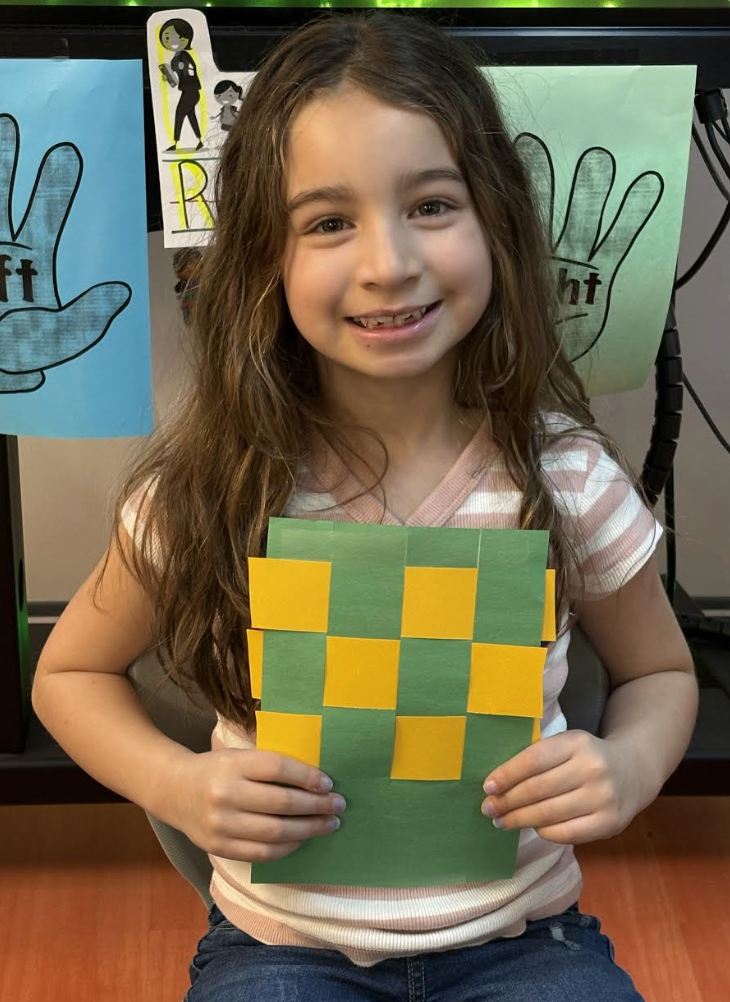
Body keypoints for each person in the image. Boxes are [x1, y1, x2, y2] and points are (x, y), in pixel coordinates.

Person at [32, 10, 698, 1002]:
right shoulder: (208, 486)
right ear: (266, 259)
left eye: (431, 204)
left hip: (522, 936)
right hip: (280, 949)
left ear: (496, 219)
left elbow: (661, 672)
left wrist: (631, 766)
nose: (387, 262)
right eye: (328, 221)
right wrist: (177, 785)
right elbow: (69, 673)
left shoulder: (560, 479)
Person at [159, 17, 203, 152]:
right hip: (187, 90)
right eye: (166, 38)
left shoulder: (185, 55)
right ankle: (199, 141)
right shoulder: (173, 60)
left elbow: (191, 70)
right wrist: (167, 77)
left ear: (185, 38)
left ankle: (175, 143)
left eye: (175, 37)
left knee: (179, 114)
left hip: (192, 90)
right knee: (190, 115)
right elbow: (175, 81)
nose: (171, 41)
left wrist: (184, 68)